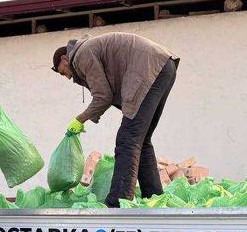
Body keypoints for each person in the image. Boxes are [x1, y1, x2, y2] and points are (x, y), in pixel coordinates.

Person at [52, 32, 179, 207]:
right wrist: (89, 117)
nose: (66, 77)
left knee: (127, 139)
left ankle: (118, 202)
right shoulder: (88, 51)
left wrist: (80, 119)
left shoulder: (82, 55)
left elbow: (102, 96)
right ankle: (154, 197)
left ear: (65, 59)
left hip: (149, 69)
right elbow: (106, 93)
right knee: (141, 139)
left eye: (62, 72)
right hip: (163, 66)